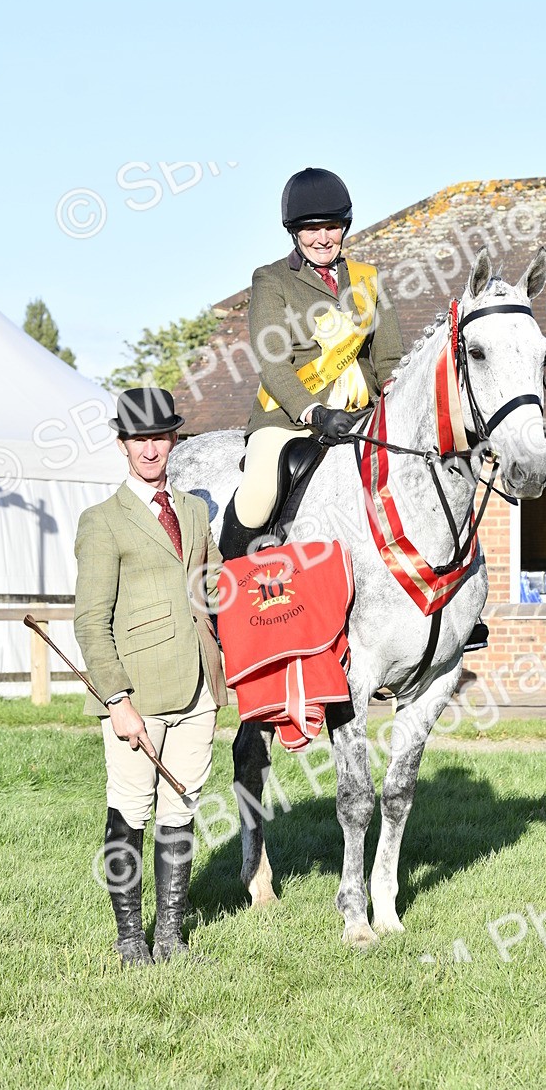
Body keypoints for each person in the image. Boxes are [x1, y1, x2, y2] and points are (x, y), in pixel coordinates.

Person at [74, 388, 227, 967]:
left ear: (173, 441)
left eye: (160, 437)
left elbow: (214, 589)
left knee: (180, 810)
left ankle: (170, 938)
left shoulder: (193, 511)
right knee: (130, 811)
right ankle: (130, 940)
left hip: (198, 690)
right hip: (135, 695)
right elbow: (90, 621)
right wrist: (116, 698)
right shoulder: (102, 522)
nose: (150, 449)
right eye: (139, 439)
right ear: (123, 445)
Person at [219, 166, 404, 560]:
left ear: (344, 227)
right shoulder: (272, 280)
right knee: (258, 495)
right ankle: (225, 591)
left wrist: (392, 393)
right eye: (311, 228)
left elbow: (389, 357)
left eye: (332, 227)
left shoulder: (368, 279)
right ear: (294, 232)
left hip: (362, 416)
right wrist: (312, 411)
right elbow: (273, 361)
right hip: (289, 417)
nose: (323, 238)